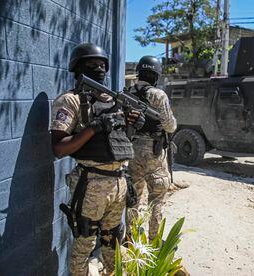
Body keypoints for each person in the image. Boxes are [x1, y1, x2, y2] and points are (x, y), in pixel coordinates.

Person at [51, 43, 140, 275]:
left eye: (102, 65)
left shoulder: (112, 101)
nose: (99, 69)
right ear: (78, 68)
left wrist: (131, 125)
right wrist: (93, 127)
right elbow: (59, 148)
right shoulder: (70, 101)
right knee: (85, 244)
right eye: (92, 64)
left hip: (120, 181)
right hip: (92, 184)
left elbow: (118, 144)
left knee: (113, 240)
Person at [127, 56, 177, 241]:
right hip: (153, 151)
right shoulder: (158, 95)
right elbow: (170, 126)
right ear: (156, 75)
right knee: (157, 197)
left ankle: (132, 239)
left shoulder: (128, 92)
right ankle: (154, 241)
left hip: (131, 149)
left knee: (134, 196)